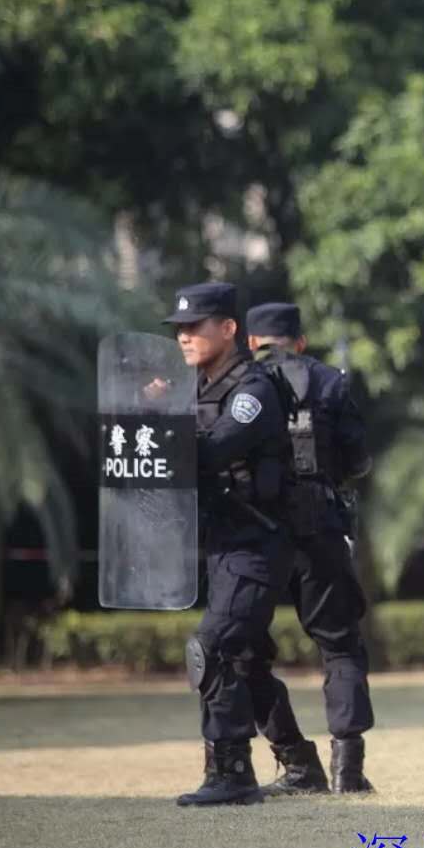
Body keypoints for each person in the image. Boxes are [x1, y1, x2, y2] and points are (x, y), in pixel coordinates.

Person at [165, 282, 305, 806]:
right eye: (179, 329)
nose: (184, 337)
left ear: (228, 329)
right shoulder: (196, 388)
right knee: (245, 658)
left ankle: (231, 771)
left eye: (194, 327)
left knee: (213, 647)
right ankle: (300, 763)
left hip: (257, 543)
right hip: (223, 542)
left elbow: (214, 449)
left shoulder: (252, 390)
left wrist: (162, 424)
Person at [243, 302, 375, 794]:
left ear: (250, 342)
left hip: (253, 533)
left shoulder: (236, 383)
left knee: (238, 647)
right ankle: (348, 770)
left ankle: (295, 757)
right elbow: (358, 462)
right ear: (299, 341)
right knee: (340, 645)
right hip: (320, 527)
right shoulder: (328, 381)